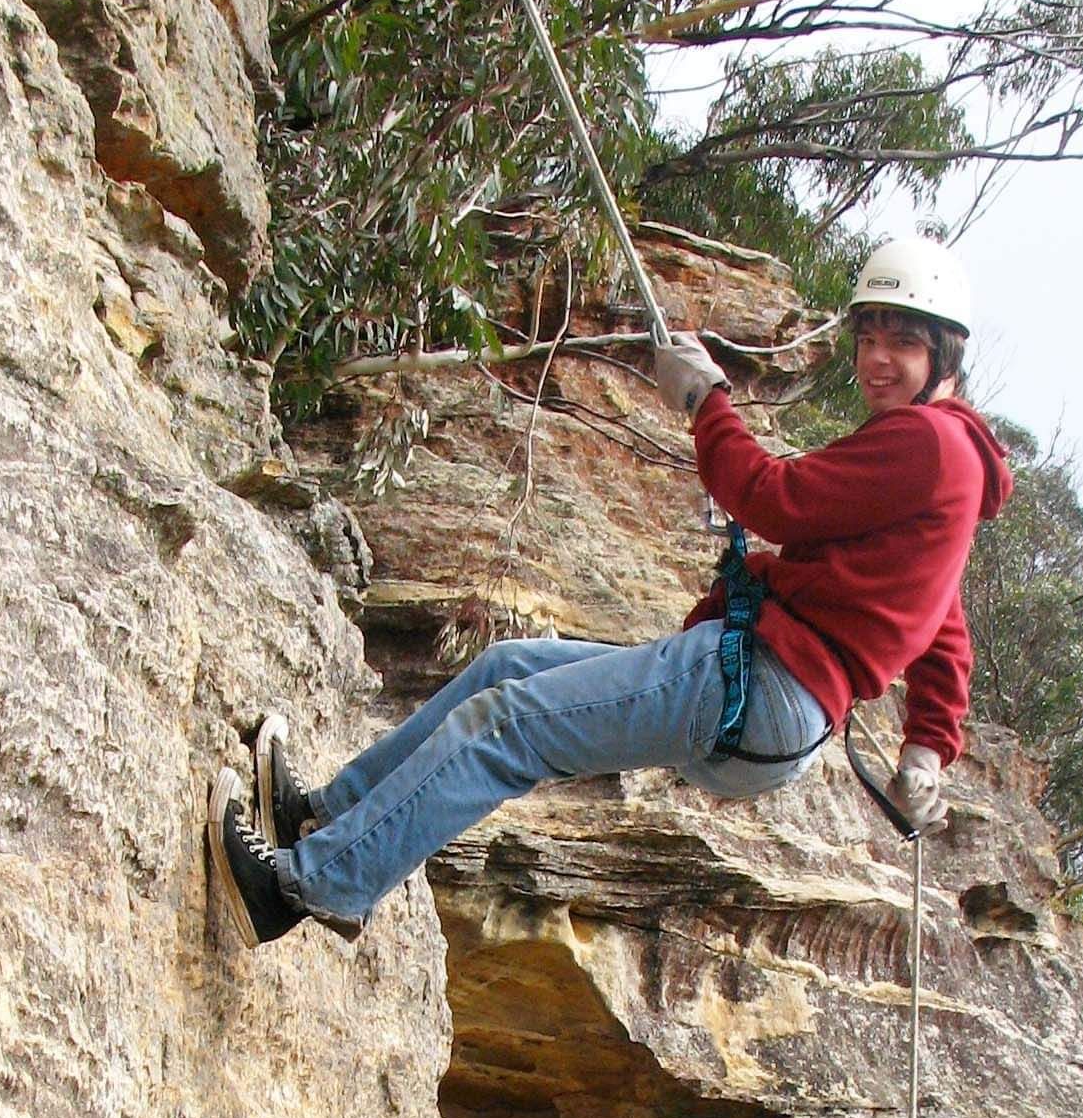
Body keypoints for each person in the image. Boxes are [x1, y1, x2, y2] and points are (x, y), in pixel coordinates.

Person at [207, 234, 1013, 947]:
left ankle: (309, 885)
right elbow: (944, 622)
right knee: (509, 671)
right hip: (765, 696)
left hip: (764, 683)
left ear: (945, 353)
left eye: (902, 342)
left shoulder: (926, 444)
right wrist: (927, 746)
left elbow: (770, 495)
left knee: (507, 727)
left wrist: (706, 404)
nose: (878, 358)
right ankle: (323, 817)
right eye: (869, 336)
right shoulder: (949, 463)